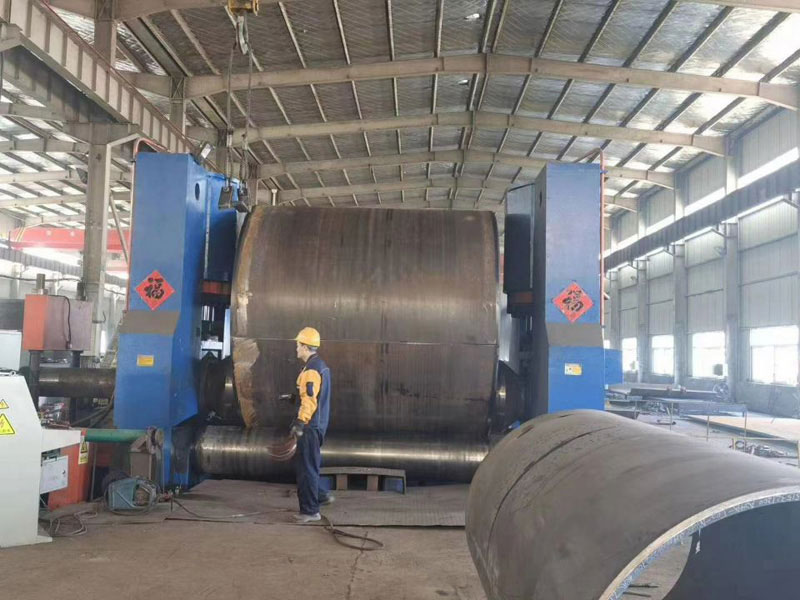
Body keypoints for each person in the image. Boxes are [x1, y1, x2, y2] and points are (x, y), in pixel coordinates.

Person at [290, 326, 332, 523]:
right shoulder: (320, 366)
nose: (296, 348)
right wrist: (293, 398)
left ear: (306, 347)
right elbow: (314, 394)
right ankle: (321, 495)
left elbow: (310, 400)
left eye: (298, 345)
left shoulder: (311, 370)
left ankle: (310, 511)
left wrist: (300, 422)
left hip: (310, 426)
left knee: (306, 468)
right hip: (317, 424)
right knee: (310, 465)